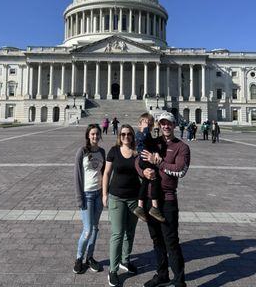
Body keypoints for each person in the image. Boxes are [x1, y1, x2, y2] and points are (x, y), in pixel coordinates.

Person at [136, 111, 190, 287]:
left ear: (174, 125)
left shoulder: (181, 147)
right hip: (151, 198)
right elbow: (138, 160)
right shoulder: (154, 142)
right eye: (163, 123)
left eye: (169, 123)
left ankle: (180, 280)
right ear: (159, 125)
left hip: (167, 200)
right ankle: (162, 274)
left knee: (171, 241)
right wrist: (143, 171)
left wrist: (158, 163)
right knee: (156, 240)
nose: (166, 126)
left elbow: (180, 171)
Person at [103, 124, 140, 287]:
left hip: (134, 198)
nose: (126, 136)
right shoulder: (114, 150)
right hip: (116, 197)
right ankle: (113, 269)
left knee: (130, 232)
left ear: (132, 136)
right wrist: (104, 194)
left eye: (129, 134)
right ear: (120, 136)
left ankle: (125, 260)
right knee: (117, 233)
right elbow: (106, 173)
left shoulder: (138, 153)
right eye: (123, 134)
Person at [73, 124, 106, 274]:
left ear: (100, 135)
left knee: (95, 229)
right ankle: (79, 258)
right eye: (92, 134)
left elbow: (105, 174)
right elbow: (77, 176)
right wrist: (79, 198)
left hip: (98, 194)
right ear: (88, 135)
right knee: (87, 231)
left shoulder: (102, 152)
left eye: (97, 134)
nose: (95, 136)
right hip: (86, 195)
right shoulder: (82, 151)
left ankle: (90, 257)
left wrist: (106, 193)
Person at [133, 113, 165, 223]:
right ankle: (155, 207)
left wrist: (156, 153)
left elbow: (152, 145)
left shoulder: (148, 135)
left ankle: (140, 206)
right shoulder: (139, 134)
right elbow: (144, 138)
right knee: (154, 178)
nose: (148, 126)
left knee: (145, 183)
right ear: (139, 124)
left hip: (147, 160)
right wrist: (146, 128)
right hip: (144, 160)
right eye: (146, 123)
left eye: (150, 125)